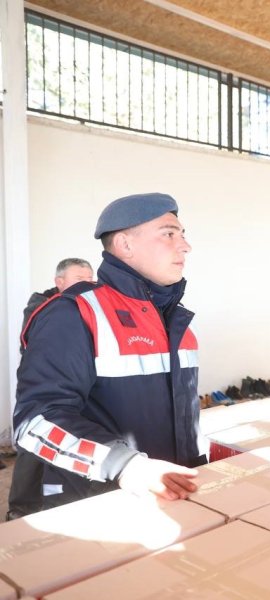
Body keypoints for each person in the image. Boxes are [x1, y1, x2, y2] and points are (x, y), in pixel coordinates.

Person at [13, 192, 204, 511]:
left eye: (183, 235)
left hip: (167, 496)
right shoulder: (74, 314)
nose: (185, 246)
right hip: (95, 502)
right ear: (126, 245)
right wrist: (126, 466)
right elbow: (35, 421)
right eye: (169, 233)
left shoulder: (176, 322)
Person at [6, 258, 95, 521]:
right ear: (60, 282)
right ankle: (20, 510)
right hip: (41, 391)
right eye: (81, 279)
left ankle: (59, 505)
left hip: (74, 387)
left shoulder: (84, 306)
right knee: (34, 447)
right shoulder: (42, 309)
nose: (89, 285)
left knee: (66, 446)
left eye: (91, 279)